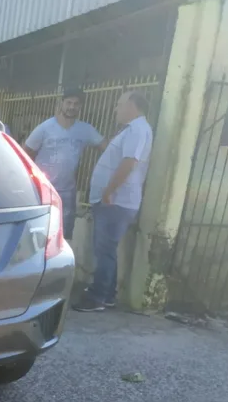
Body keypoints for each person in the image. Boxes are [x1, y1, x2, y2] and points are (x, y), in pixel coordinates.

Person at [74, 91, 154, 312]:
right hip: (113, 200)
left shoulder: (137, 130)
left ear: (132, 106)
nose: (115, 109)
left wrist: (109, 191)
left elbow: (129, 163)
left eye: (119, 105)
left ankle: (97, 298)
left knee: (104, 250)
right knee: (107, 249)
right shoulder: (132, 130)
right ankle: (107, 295)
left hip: (116, 201)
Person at [24, 87, 106, 240]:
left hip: (67, 192)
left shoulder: (85, 130)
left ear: (80, 107)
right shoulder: (45, 128)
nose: (72, 107)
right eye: (68, 102)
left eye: (76, 104)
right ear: (61, 103)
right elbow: (26, 153)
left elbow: (105, 148)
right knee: (39, 232)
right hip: (43, 190)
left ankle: (60, 263)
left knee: (64, 234)